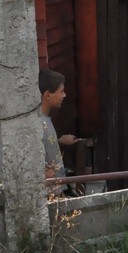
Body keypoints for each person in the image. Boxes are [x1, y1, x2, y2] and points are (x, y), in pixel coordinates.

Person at [39, 69, 77, 198]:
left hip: (57, 190)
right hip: (51, 193)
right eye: (61, 91)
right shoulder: (39, 124)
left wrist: (59, 141)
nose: (64, 95)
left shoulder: (45, 119)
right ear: (48, 95)